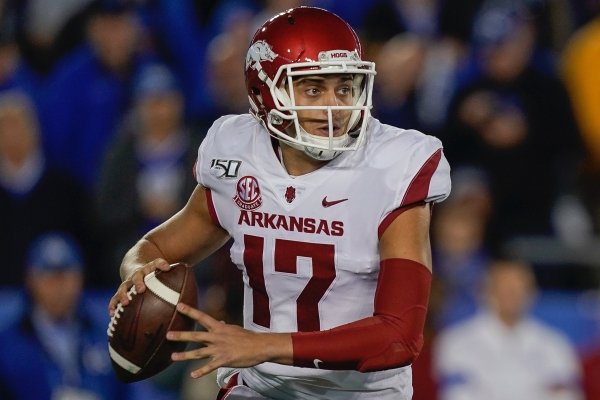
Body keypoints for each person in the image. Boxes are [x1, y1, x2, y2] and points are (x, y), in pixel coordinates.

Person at [109, 6, 451, 400]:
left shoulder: (393, 165)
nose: (335, 106)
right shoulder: (238, 153)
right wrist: (136, 272)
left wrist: (265, 346)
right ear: (264, 92)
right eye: (313, 88)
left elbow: (398, 336)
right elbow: (154, 248)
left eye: (344, 87)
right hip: (262, 389)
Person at [0, 232, 129, 399]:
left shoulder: (108, 333)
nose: (58, 287)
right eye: (49, 277)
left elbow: (132, 392)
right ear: (30, 280)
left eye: (65, 276)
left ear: (81, 277)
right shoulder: (8, 343)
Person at [434, 259, 583, 400]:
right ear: (487, 292)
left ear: (532, 293)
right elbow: (456, 396)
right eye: (505, 289)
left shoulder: (554, 344)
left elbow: (566, 395)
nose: (512, 296)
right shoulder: (456, 342)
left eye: (519, 289)